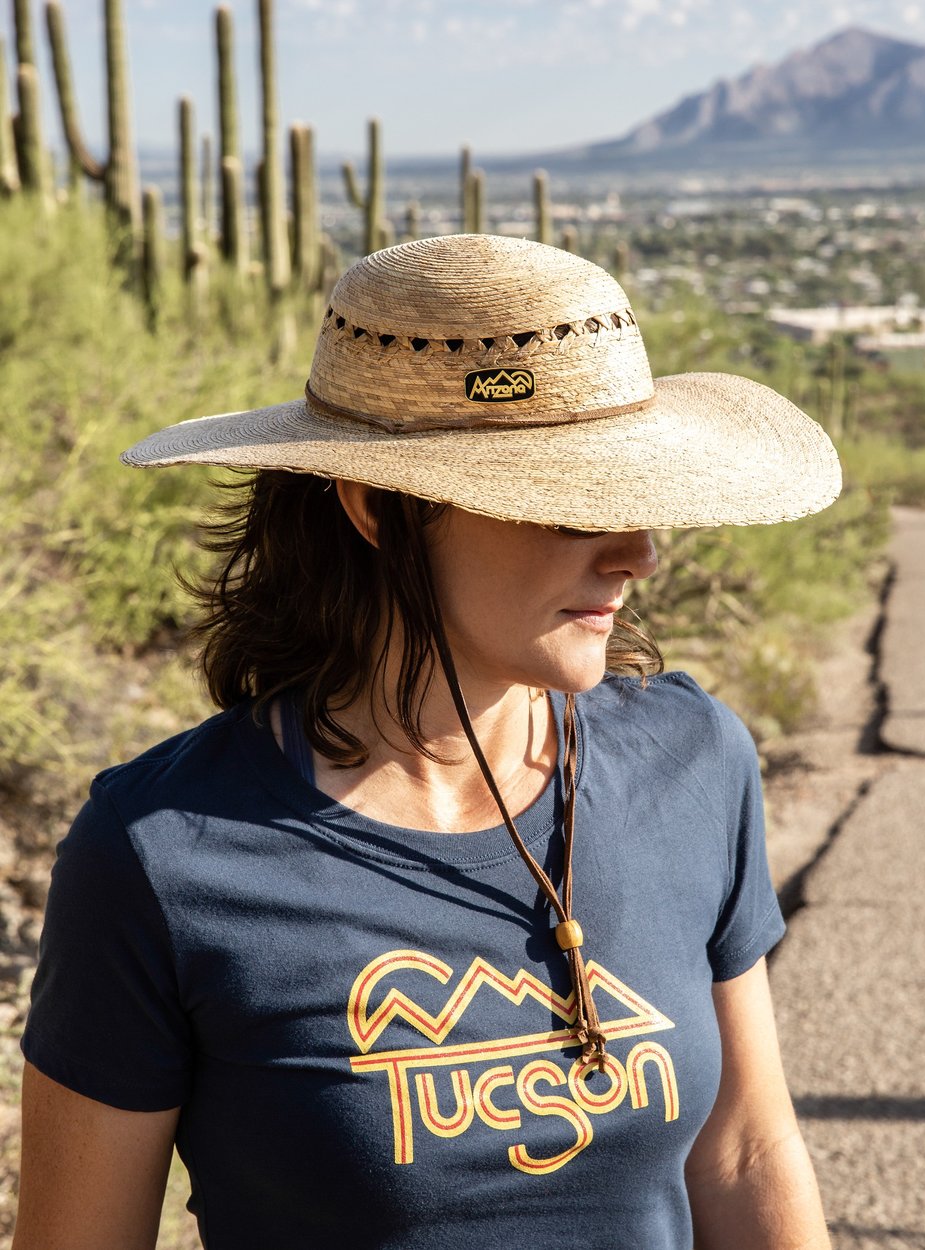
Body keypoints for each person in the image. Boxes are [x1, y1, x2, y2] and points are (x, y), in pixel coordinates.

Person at [15, 234, 840, 1249]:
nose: (639, 553)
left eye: (637, 499)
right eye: (570, 506)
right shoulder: (163, 853)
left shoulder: (694, 759)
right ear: (378, 508)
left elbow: (745, 1151)